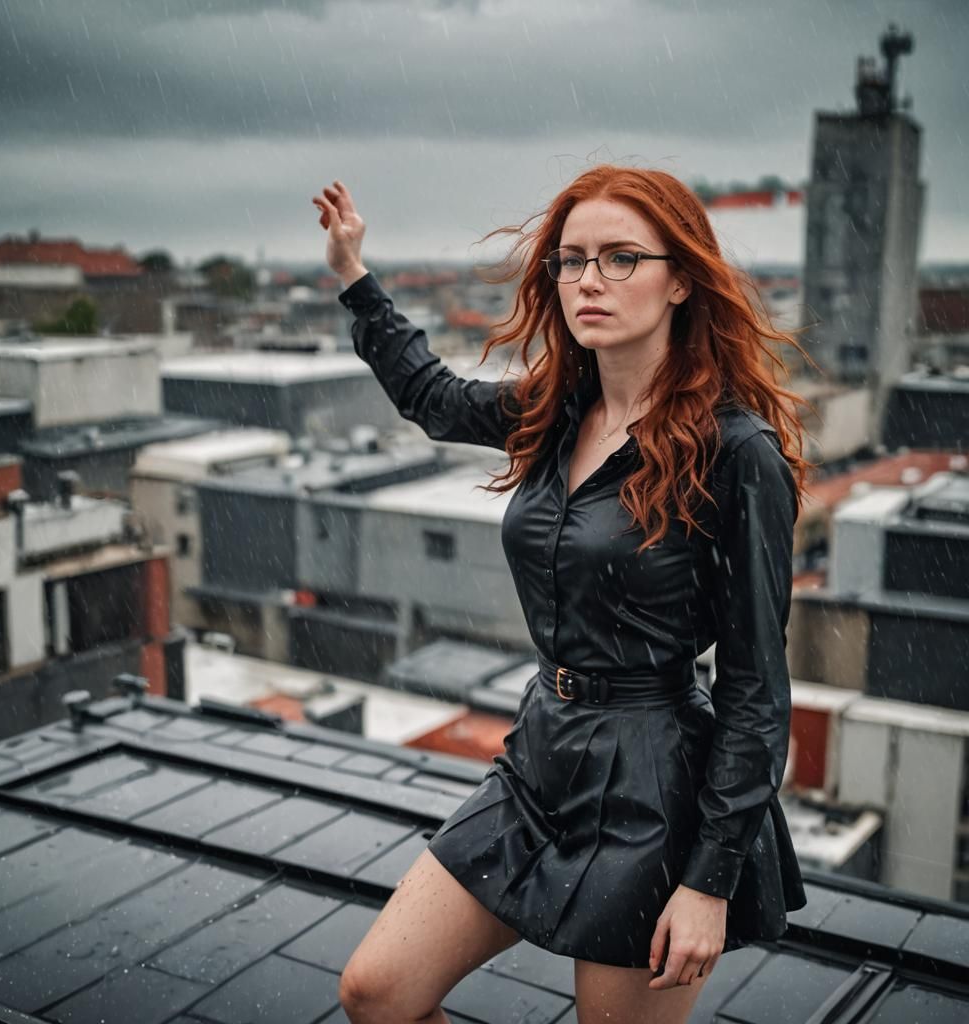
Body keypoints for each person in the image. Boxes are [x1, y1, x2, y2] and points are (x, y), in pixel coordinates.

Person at [312, 167, 811, 1024]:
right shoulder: (556, 409)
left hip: (655, 791)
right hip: (541, 756)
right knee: (377, 992)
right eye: (572, 260)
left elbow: (756, 688)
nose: (588, 280)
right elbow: (432, 397)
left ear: (681, 280)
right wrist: (354, 275)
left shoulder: (737, 453)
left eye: (621, 258)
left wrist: (708, 881)